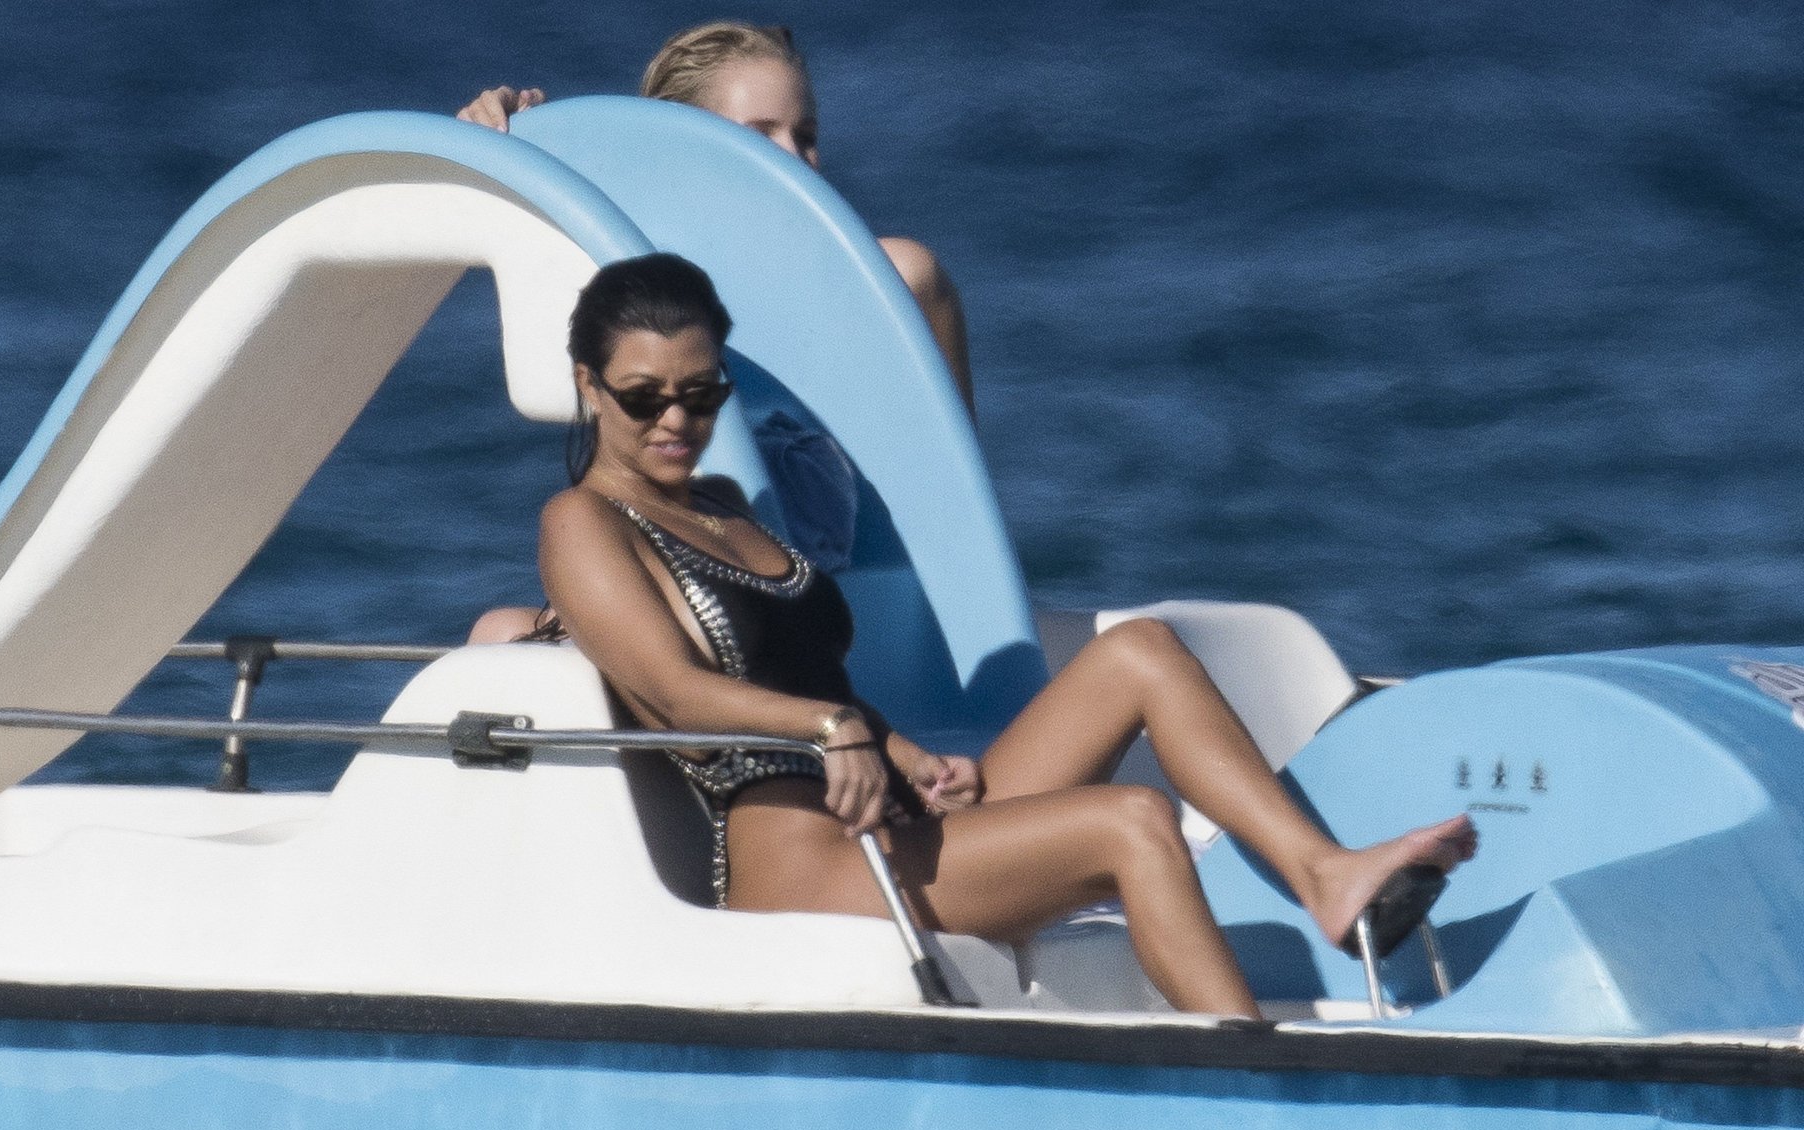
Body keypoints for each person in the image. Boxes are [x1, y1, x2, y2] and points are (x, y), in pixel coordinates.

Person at [519, 253, 1477, 1019]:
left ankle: (1323, 875)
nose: (677, 420)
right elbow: (676, 690)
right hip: (801, 863)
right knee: (1132, 820)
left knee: (1141, 653)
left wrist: (900, 750)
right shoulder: (583, 521)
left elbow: (803, 674)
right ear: (588, 387)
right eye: (644, 397)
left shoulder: (726, 503)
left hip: (887, 821)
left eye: (701, 394)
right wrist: (830, 729)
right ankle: (1258, 1077)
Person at [457, 21, 975, 412]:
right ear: (686, 151)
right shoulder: (627, 275)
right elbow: (494, 224)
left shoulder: (894, 280)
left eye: (806, 136)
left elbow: (957, 496)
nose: (794, 158)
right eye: (760, 134)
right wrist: (500, 135)